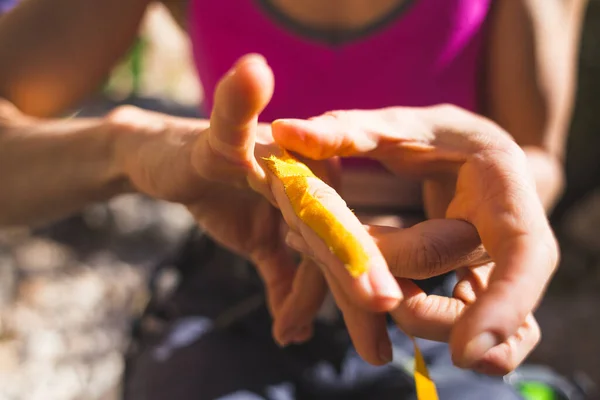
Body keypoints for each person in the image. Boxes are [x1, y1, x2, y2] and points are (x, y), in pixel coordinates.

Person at [0, 0, 585, 399]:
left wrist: (493, 195)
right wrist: (127, 148)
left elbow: (536, 154)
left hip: (440, 291)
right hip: (249, 267)